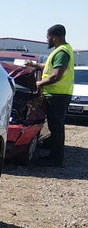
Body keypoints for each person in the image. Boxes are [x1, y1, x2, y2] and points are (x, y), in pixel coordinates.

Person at [28, 24, 74, 166]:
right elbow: (50, 67)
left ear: (54, 37)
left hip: (57, 95)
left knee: (56, 126)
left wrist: (39, 84)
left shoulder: (62, 52)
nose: (47, 40)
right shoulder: (61, 50)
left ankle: (56, 159)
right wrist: (35, 65)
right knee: (55, 126)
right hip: (57, 94)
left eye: (48, 37)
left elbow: (56, 76)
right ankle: (51, 150)